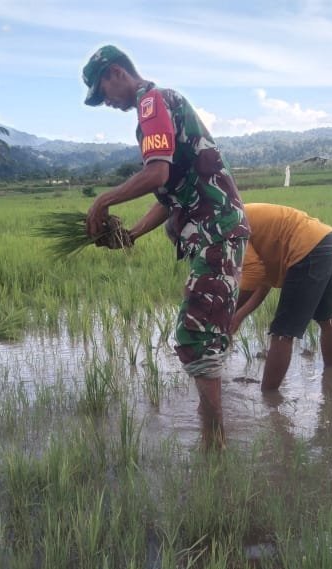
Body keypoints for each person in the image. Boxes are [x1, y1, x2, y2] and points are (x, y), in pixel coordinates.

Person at [81, 45, 250, 446]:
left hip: (215, 233)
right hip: (213, 233)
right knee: (203, 331)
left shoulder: (151, 103)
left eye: (102, 92)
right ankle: (212, 426)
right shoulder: (160, 104)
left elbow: (157, 173)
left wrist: (103, 200)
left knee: (196, 336)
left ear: (116, 73)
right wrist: (131, 234)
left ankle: (214, 442)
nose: (106, 102)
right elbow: (169, 195)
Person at [230, 203, 332, 392]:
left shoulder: (228, 225)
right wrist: (238, 316)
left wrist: (226, 314)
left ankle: (269, 398)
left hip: (309, 248)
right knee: (327, 318)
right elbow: (263, 282)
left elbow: (253, 276)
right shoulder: (238, 216)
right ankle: (331, 376)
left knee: (282, 333)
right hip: (331, 242)